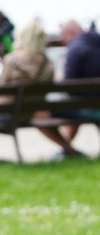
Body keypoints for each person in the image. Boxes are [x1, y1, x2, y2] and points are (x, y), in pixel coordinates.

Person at [0, 19, 78, 155]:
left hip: (10, 114)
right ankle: (68, 150)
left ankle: (68, 150)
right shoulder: (48, 64)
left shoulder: (11, 60)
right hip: (34, 112)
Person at [49, 20, 100, 157]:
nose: (64, 42)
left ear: (71, 33)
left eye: (63, 38)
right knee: (77, 102)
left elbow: (67, 85)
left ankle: (68, 149)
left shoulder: (76, 47)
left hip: (90, 109)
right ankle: (66, 150)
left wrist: (59, 75)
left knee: (42, 112)